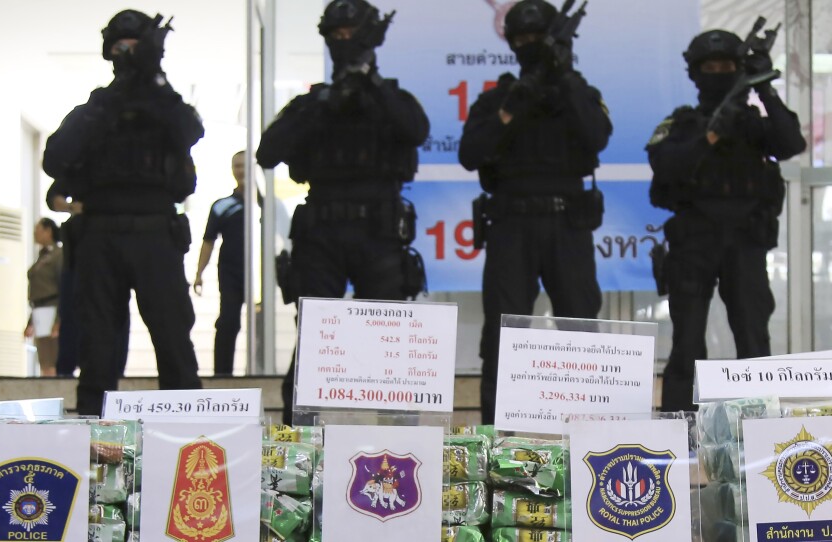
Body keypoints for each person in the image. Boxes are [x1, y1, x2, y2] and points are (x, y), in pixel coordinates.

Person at [256, 0, 430, 424]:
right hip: (322, 232)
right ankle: (297, 439)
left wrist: (371, 86)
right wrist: (325, 101)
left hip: (381, 231)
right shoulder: (313, 101)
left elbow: (416, 130)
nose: (345, 42)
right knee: (315, 339)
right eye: (338, 35)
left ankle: (401, 438)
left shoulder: (393, 98)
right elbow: (268, 152)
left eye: (353, 34)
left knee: (390, 340)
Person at [42, 9, 205, 415]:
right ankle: (95, 437)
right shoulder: (97, 106)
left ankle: (192, 435)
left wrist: (154, 86)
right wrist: (113, 100)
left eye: (136, 48)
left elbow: (191, 131)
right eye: (120, 48)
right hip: (99, 236)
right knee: (97, 342)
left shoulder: (167, 106)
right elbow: (56, 157)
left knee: (172, 337)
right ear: (108, 52)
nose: (128, 55)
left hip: (155, 234)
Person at [458, 0, 612, 424]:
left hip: (568, 225)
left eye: (535, 39)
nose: (528, 45)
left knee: (581, 332)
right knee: (503, 337)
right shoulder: (496, 100)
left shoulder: (579, 93)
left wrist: (564, 79)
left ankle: (593, 436)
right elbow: (470, 154)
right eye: (520, 39)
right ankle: (494, 437)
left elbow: (597, 137)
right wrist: (511, 108)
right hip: (511, 226)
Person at [647, 29, 806, 411]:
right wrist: (711, 136)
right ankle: (677, 433)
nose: (719, 72)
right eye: (710, 67)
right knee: (686, 345)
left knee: (753, 342)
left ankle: (760, 435)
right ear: (696, 73)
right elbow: (664, 164)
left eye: (728, 67)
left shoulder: (754, 123)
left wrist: (765, 88)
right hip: (693, 243)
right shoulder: (682, 123)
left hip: (746, 242)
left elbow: (791, 144)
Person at [47, 182, 130, 378]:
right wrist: (73, 208)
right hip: (82, 247)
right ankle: (67, 369)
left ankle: (115, 370)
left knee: (116, 310)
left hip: (117, 245)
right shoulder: (81, 160)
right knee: (72, 311)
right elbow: (53, 196)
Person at [193, 150, 249, 376]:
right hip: (230, 270)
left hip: (262, 275)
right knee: (228, 321)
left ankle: (265, 369)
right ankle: (222, 374)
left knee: (265, 326)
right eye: (237, 165)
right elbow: (208, 241)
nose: (241, 170)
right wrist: (198, 273)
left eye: (246, 165)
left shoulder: (269, 206)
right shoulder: (222, 206)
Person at [24, 218, 63, 377]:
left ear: (48, 231)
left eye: (38, 228)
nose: (35, 233)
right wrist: (30, 321)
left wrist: (59, 319)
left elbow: (62, 287)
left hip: (52, 308)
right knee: (44, 358)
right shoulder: (41, 256)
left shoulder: (58, 254)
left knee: (51, 358)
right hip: (39, 310)